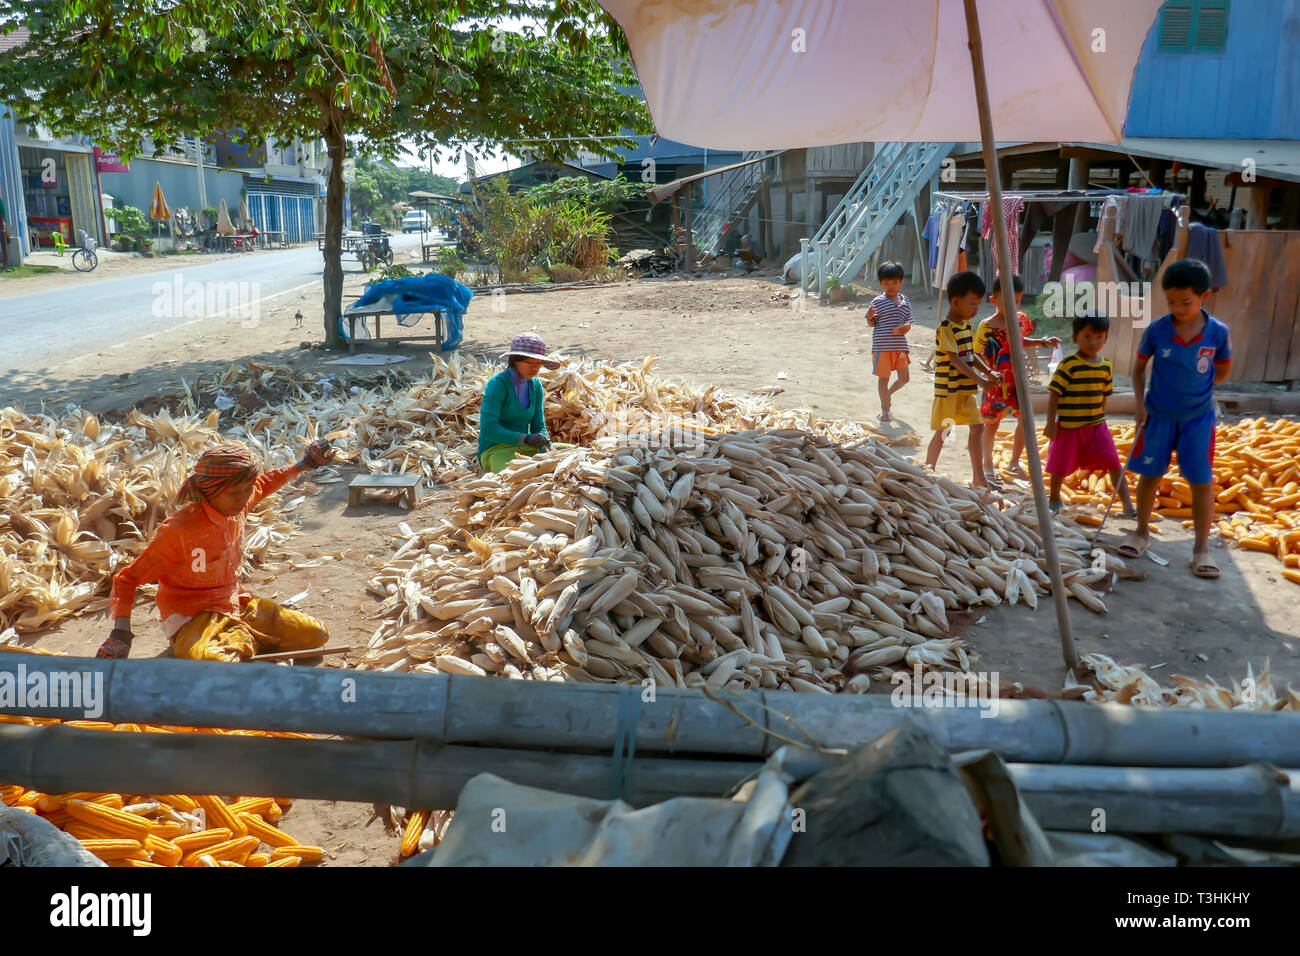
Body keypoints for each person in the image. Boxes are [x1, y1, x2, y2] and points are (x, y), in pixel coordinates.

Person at [97, 440, 337, 661]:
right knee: (217, 663)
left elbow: (264, 484)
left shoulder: (237, 502)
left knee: (316, 635)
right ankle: (236, 643)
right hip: (191, 620)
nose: (244, 498)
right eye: (235, 493)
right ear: (209, 491)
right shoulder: (180, 530)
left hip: (235, 604)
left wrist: (306, 463)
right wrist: (121, 633)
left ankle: (242, 640)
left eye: (247, 489)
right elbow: (127, 579)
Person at [1121, 259, 1232, 578]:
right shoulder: (1157, 330)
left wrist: (1197, 390)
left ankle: (1201, 549)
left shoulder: (1217, 333)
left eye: (1186, 302)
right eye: (1171, 301)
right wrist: (1139, 404)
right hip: (1157, 416)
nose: (1178, 308)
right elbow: (1139, 368)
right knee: (1150, 475)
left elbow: (1222, 372)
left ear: (1204, 297)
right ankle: (1141, 531)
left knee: (1201, 481)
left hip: (1197, 419)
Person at [1044, 313, 1134, 517]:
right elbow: (1054, 394)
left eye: (1098, 337)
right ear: (1075, 338)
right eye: (1087, 336)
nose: (1093, 342)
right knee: (1058, 464)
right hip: (1068, 427)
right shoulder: (1068, 365)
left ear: (1106, 338)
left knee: (1113, 462)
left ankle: (1128, 505)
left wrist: (1101, 417)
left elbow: (1104, 394)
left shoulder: (1106, 366)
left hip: (1096, 426)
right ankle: (1054, 498)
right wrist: (1050, 423)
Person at [975, 274, 1060, 481]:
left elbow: (1021, 340)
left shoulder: (1021, 319)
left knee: (1025, 420)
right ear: (994, 300)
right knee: (991, 424)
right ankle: (987, 465)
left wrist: (1041, 341)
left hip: (1017, 381)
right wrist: (987, 373)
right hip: (995, 384)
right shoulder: (987, 327)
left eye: (1017, 301)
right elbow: (975, 353)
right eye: (1007, 302)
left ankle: (1014, 462)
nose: (1013, 306)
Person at [925, 271, 1001, 488]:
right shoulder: (946, 327)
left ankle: (979, 478)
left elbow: (971, 354)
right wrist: (982, 381)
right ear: (956, 302)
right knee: (944, 432)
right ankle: (927, 473)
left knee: (977, 429)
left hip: (965, 391)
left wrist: (987, 370)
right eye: (972, 304)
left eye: (978, 304)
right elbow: (956, 360)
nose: (976, 310)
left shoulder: (966, 325)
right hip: (949, 391)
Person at [478, 332, 561, 473]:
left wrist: (546, 449)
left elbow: (538, 425)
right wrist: (526, 438)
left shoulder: (535, 386)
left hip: (527, 448)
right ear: (515, 360)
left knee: (577, 455)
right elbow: (488, 429)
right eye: (529, 362)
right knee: (517, 475)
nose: (535, 368)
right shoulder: (498, 384)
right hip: (497, 450)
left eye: (539, 363)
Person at [866, 261, 912, 422]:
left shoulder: (905, 301)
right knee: (883, 379)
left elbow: (908, 322)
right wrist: (870, 317)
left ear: (900, 282)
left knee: (904, 378)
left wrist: (905, 328)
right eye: (886, 283)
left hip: (899, 346)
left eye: (894, 282)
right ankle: (885, 410)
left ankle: (887, 394)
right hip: (882, 346)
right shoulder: (877, 302)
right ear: (881, 284)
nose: (890, 286)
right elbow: (870, 323)